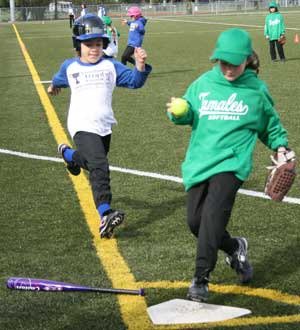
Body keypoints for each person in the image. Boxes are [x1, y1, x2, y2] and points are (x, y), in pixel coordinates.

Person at [166, 28, 291, 302]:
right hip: (200, 162)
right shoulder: (203, 84)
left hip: (232, 164)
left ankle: (201, 279)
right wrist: (182, 112)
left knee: (212, 216)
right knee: (196, 223)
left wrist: (281, 146)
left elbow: (270, 125)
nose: (228, 68)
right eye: (223, 62)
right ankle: (235, 247)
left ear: (247, 59)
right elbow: (186, 112)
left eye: (234, 63)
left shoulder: (255, 90)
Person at [48, 14, 152, 239]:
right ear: (78, 45)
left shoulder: (110, 66)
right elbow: (57, 79)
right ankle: (105, 213)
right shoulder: (70, 67)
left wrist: (141, 66)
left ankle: (68, 154)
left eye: (98, 44)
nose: (94, 49)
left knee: (92, 164)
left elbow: (134, 82)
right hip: (81, 124)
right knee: (100, 165)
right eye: (88, 44)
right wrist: (53, 87)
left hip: (104, 126)